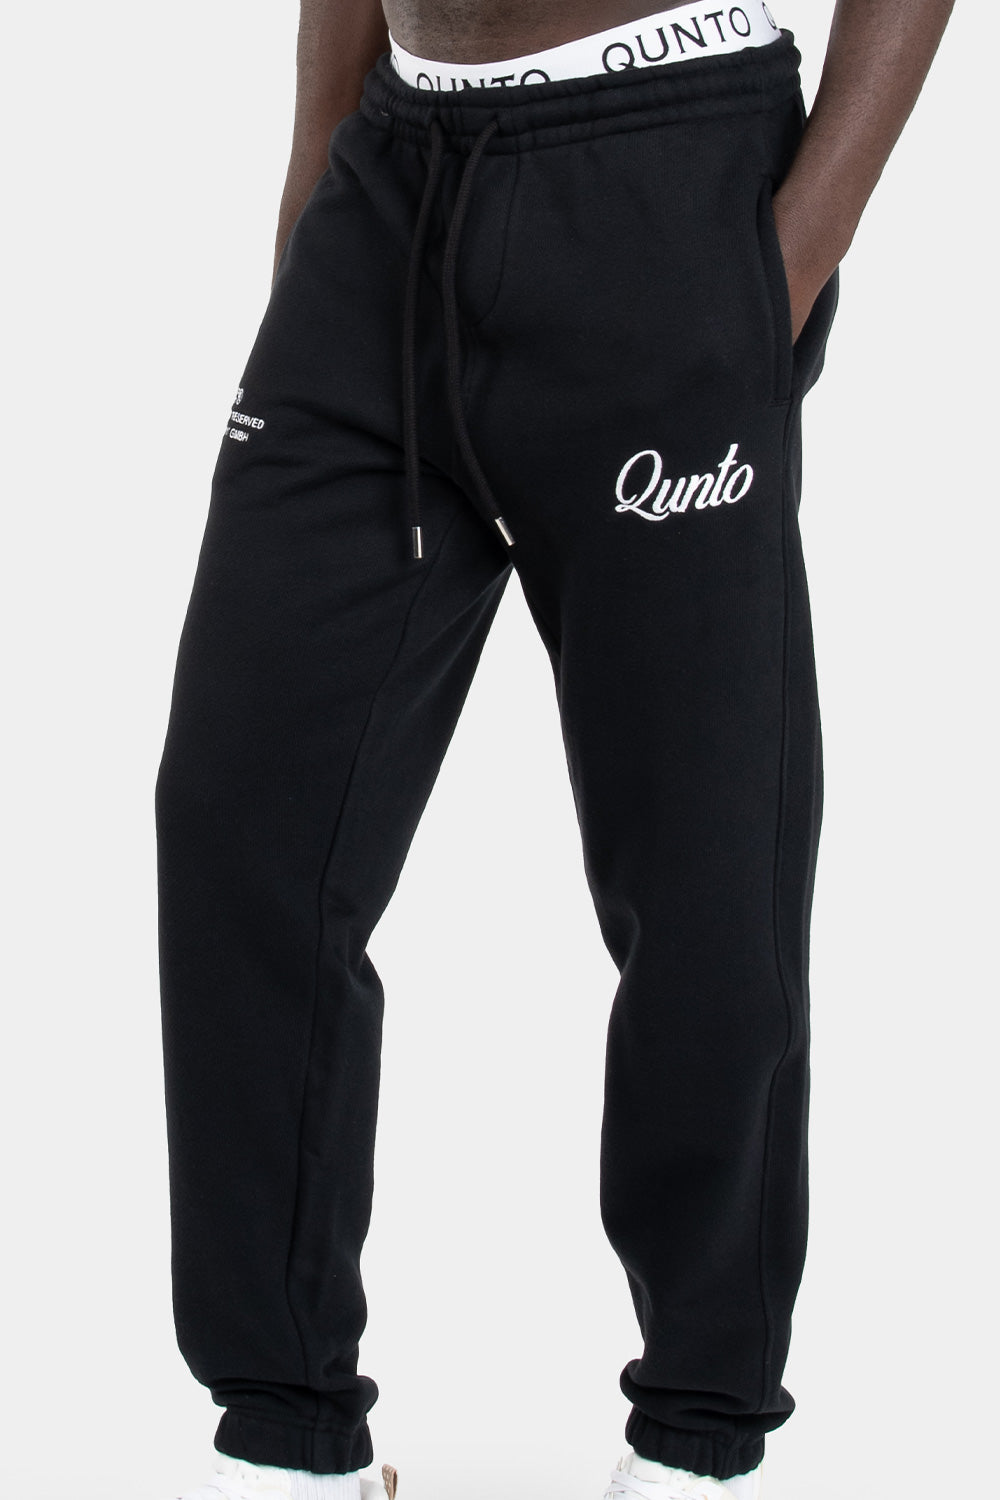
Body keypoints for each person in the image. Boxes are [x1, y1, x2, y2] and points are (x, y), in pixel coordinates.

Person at [154, 2, 955, 1497]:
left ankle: (700, 1429)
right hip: (385, 193)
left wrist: (783, 268)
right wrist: (312, 210)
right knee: (238, 823)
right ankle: (281, 1426)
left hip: (666, 182)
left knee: (704, 873)